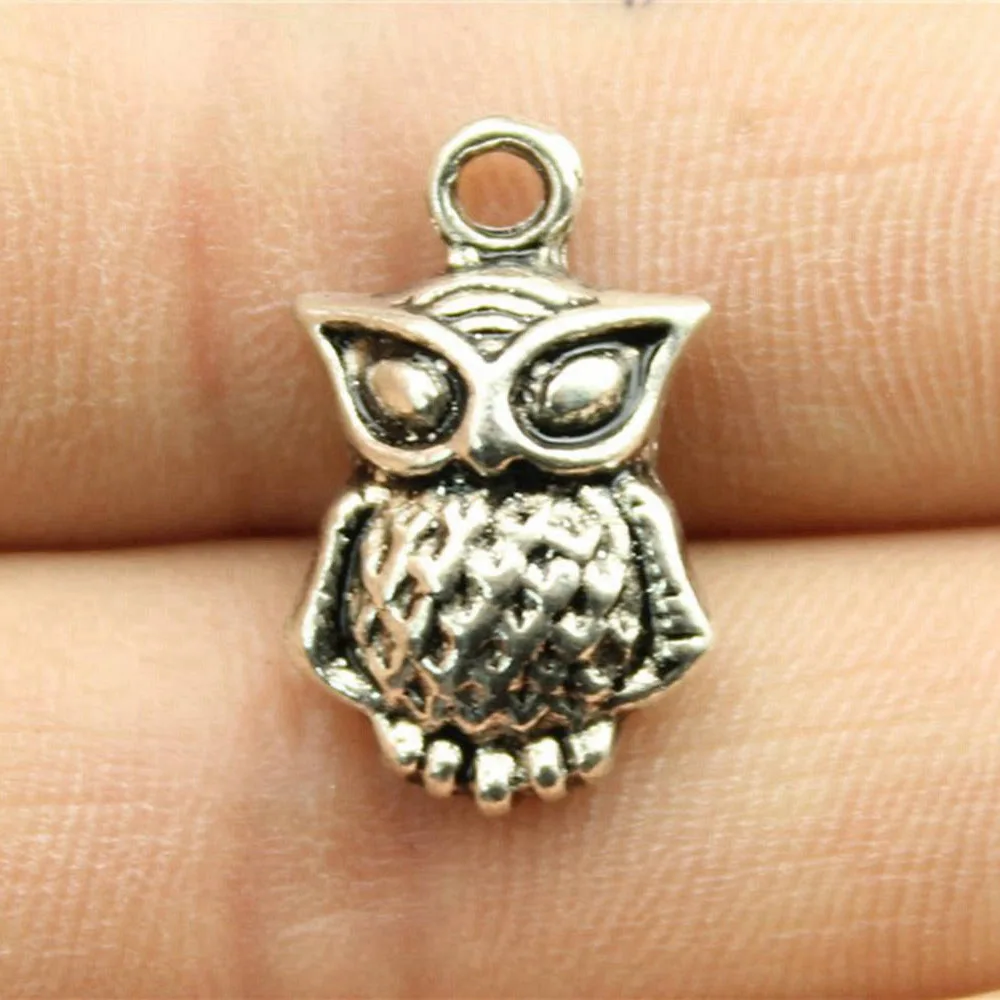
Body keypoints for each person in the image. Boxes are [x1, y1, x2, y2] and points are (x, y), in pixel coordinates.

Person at [1, 6, 998, 998]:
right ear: (367, 373)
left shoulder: (623, 511)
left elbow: (673, 638)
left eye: (563, 391)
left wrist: (594, 712)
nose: (482, 443)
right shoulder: (374, 512)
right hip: (421, 726)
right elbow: (327, 644)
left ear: (630, 371)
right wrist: (397, 715)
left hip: (571, 723)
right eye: (422, 391)